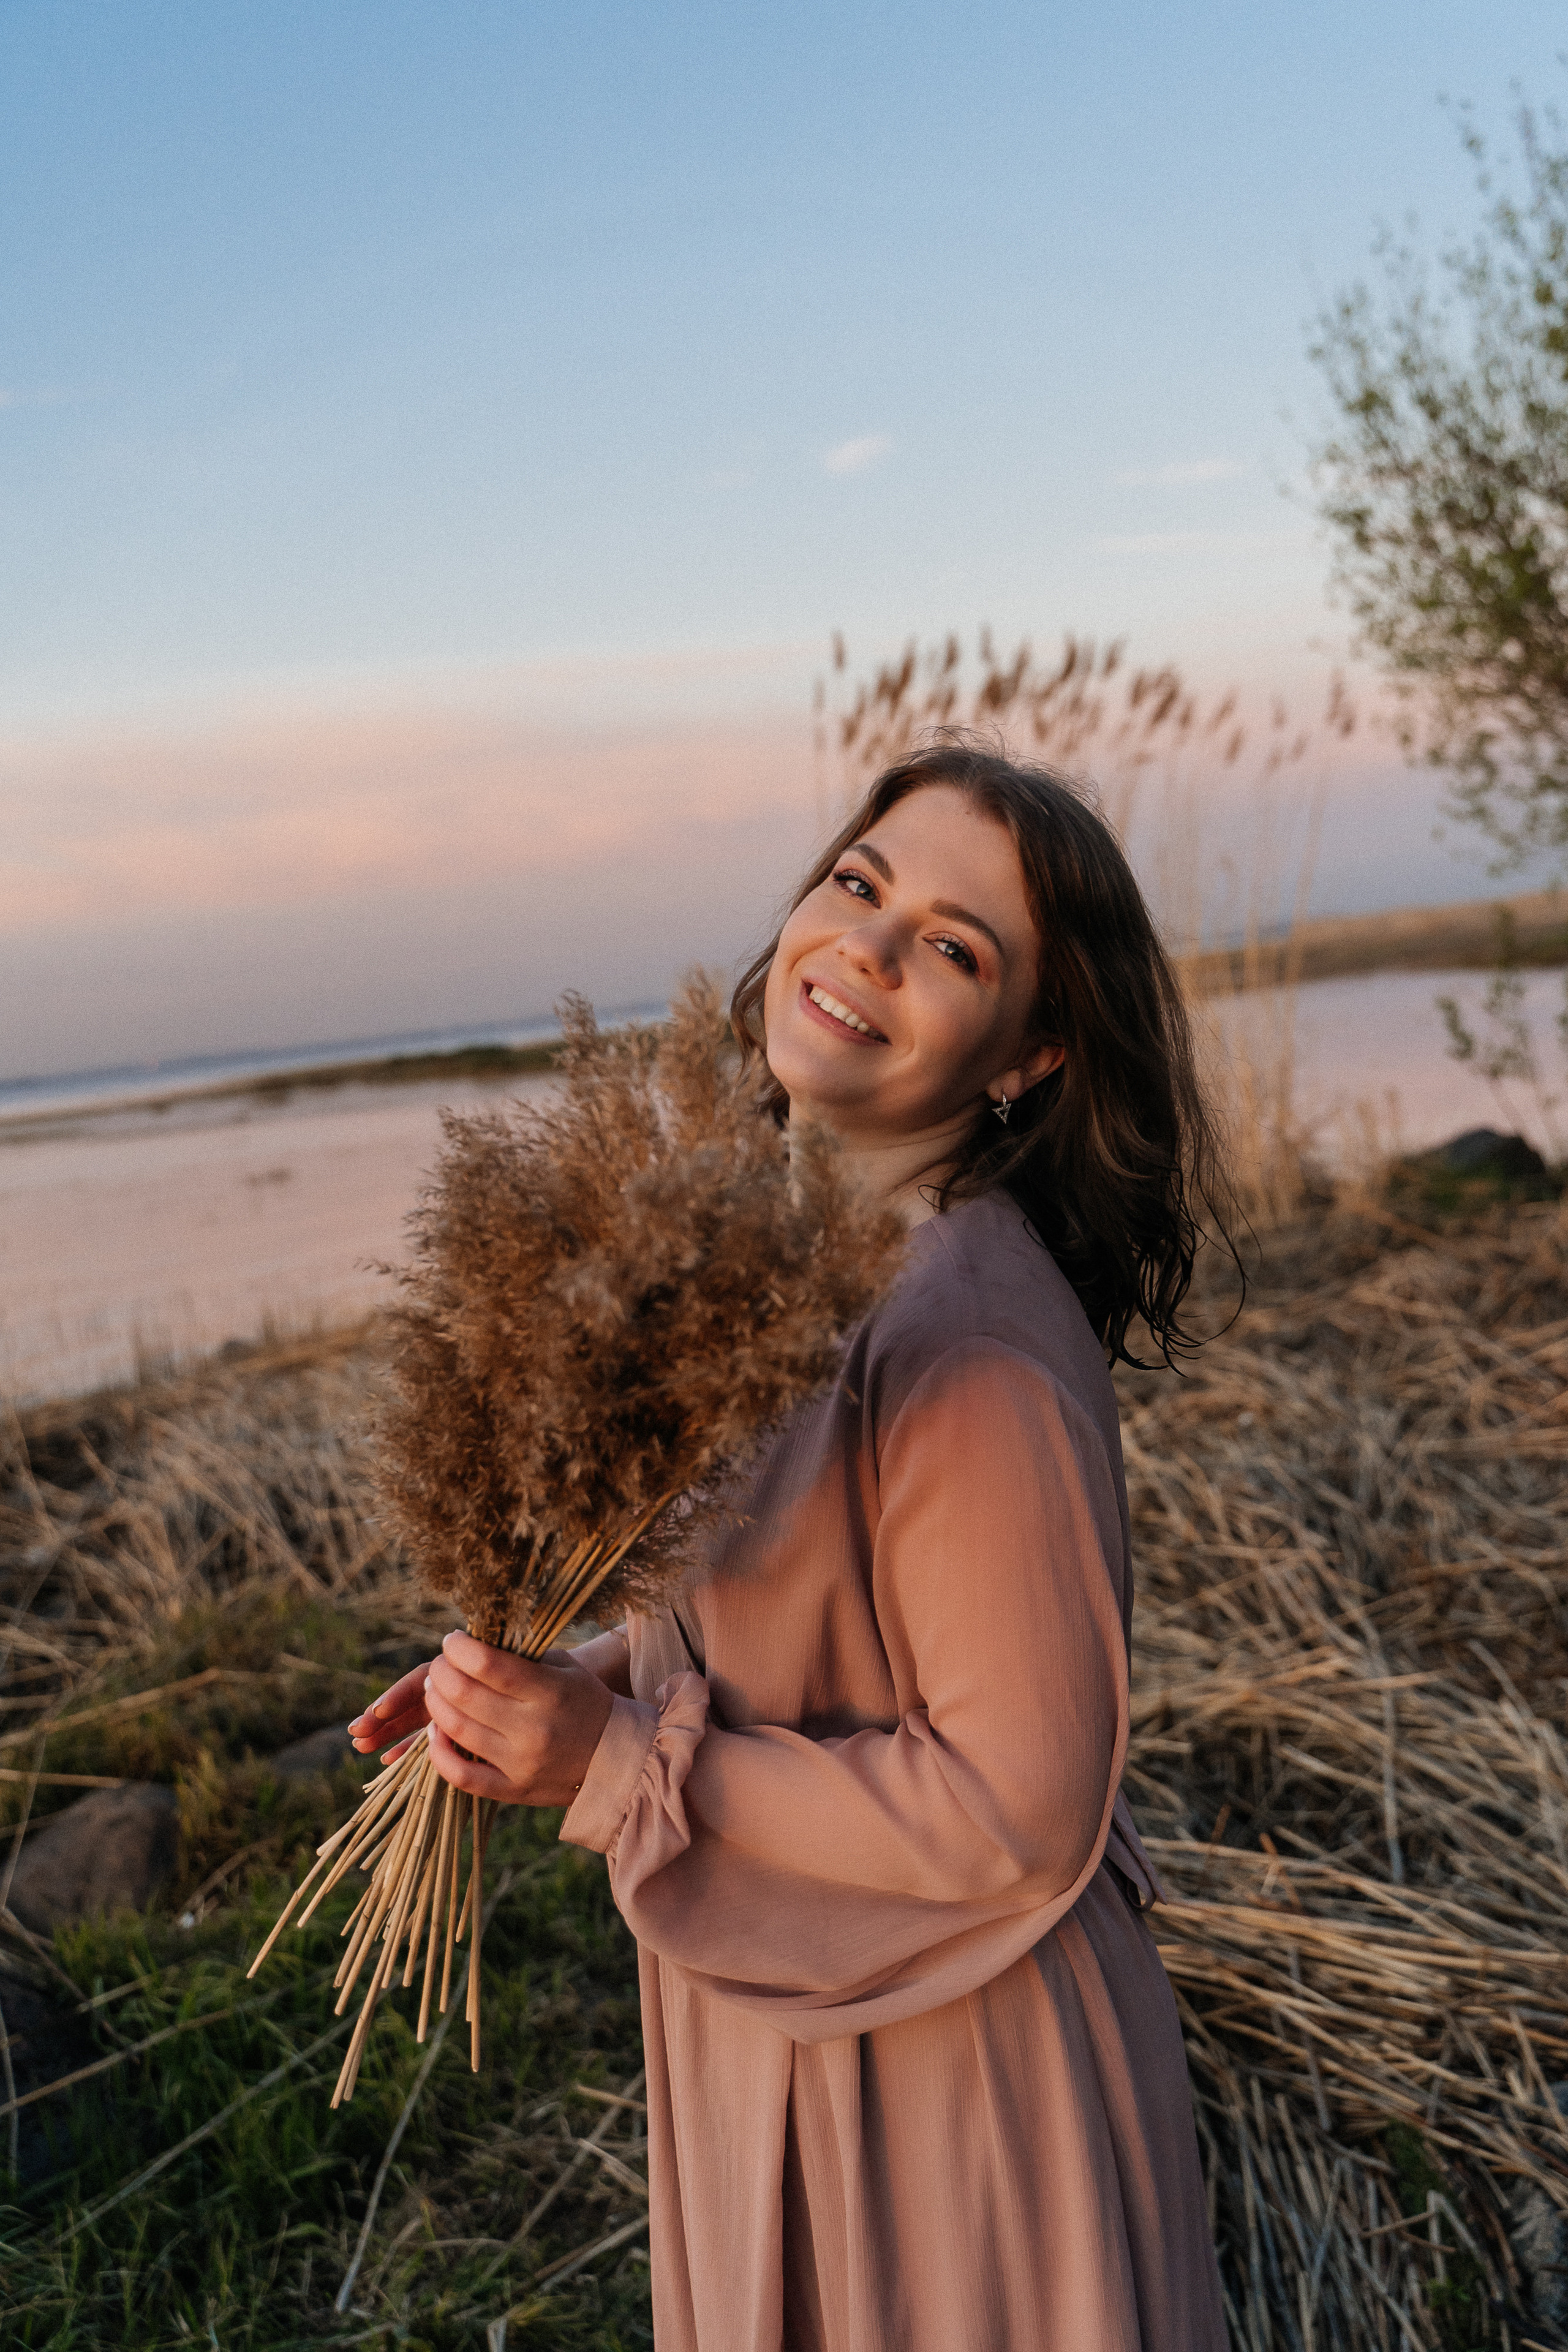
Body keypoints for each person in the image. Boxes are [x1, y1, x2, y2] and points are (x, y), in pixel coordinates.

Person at [351, 739, 1232, 2351]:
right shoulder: (790, 1267)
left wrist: (614, 1764)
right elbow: (795, 1621)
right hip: (814, 2015)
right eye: (862, 883)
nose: (873, 947)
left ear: (1030, 1055)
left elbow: (1023, 1811)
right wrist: (562, 1685)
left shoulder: (969, 1336)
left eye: (956, 947)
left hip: (950, 2077)